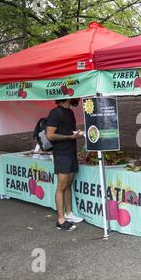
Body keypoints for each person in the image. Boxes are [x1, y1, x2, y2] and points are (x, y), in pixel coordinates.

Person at [46, 98, 84, 231]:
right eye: (76, 96)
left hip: (71, 153)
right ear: (67, 97)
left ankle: (69, 214)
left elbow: (68, 132)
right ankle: (60, 220)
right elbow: (50, 135)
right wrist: (69, 137)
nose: (78, 98)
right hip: (62, 154)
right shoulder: (55, 113)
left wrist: (75, 135)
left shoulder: (70, 112)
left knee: (68, 184)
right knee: (61, 186)